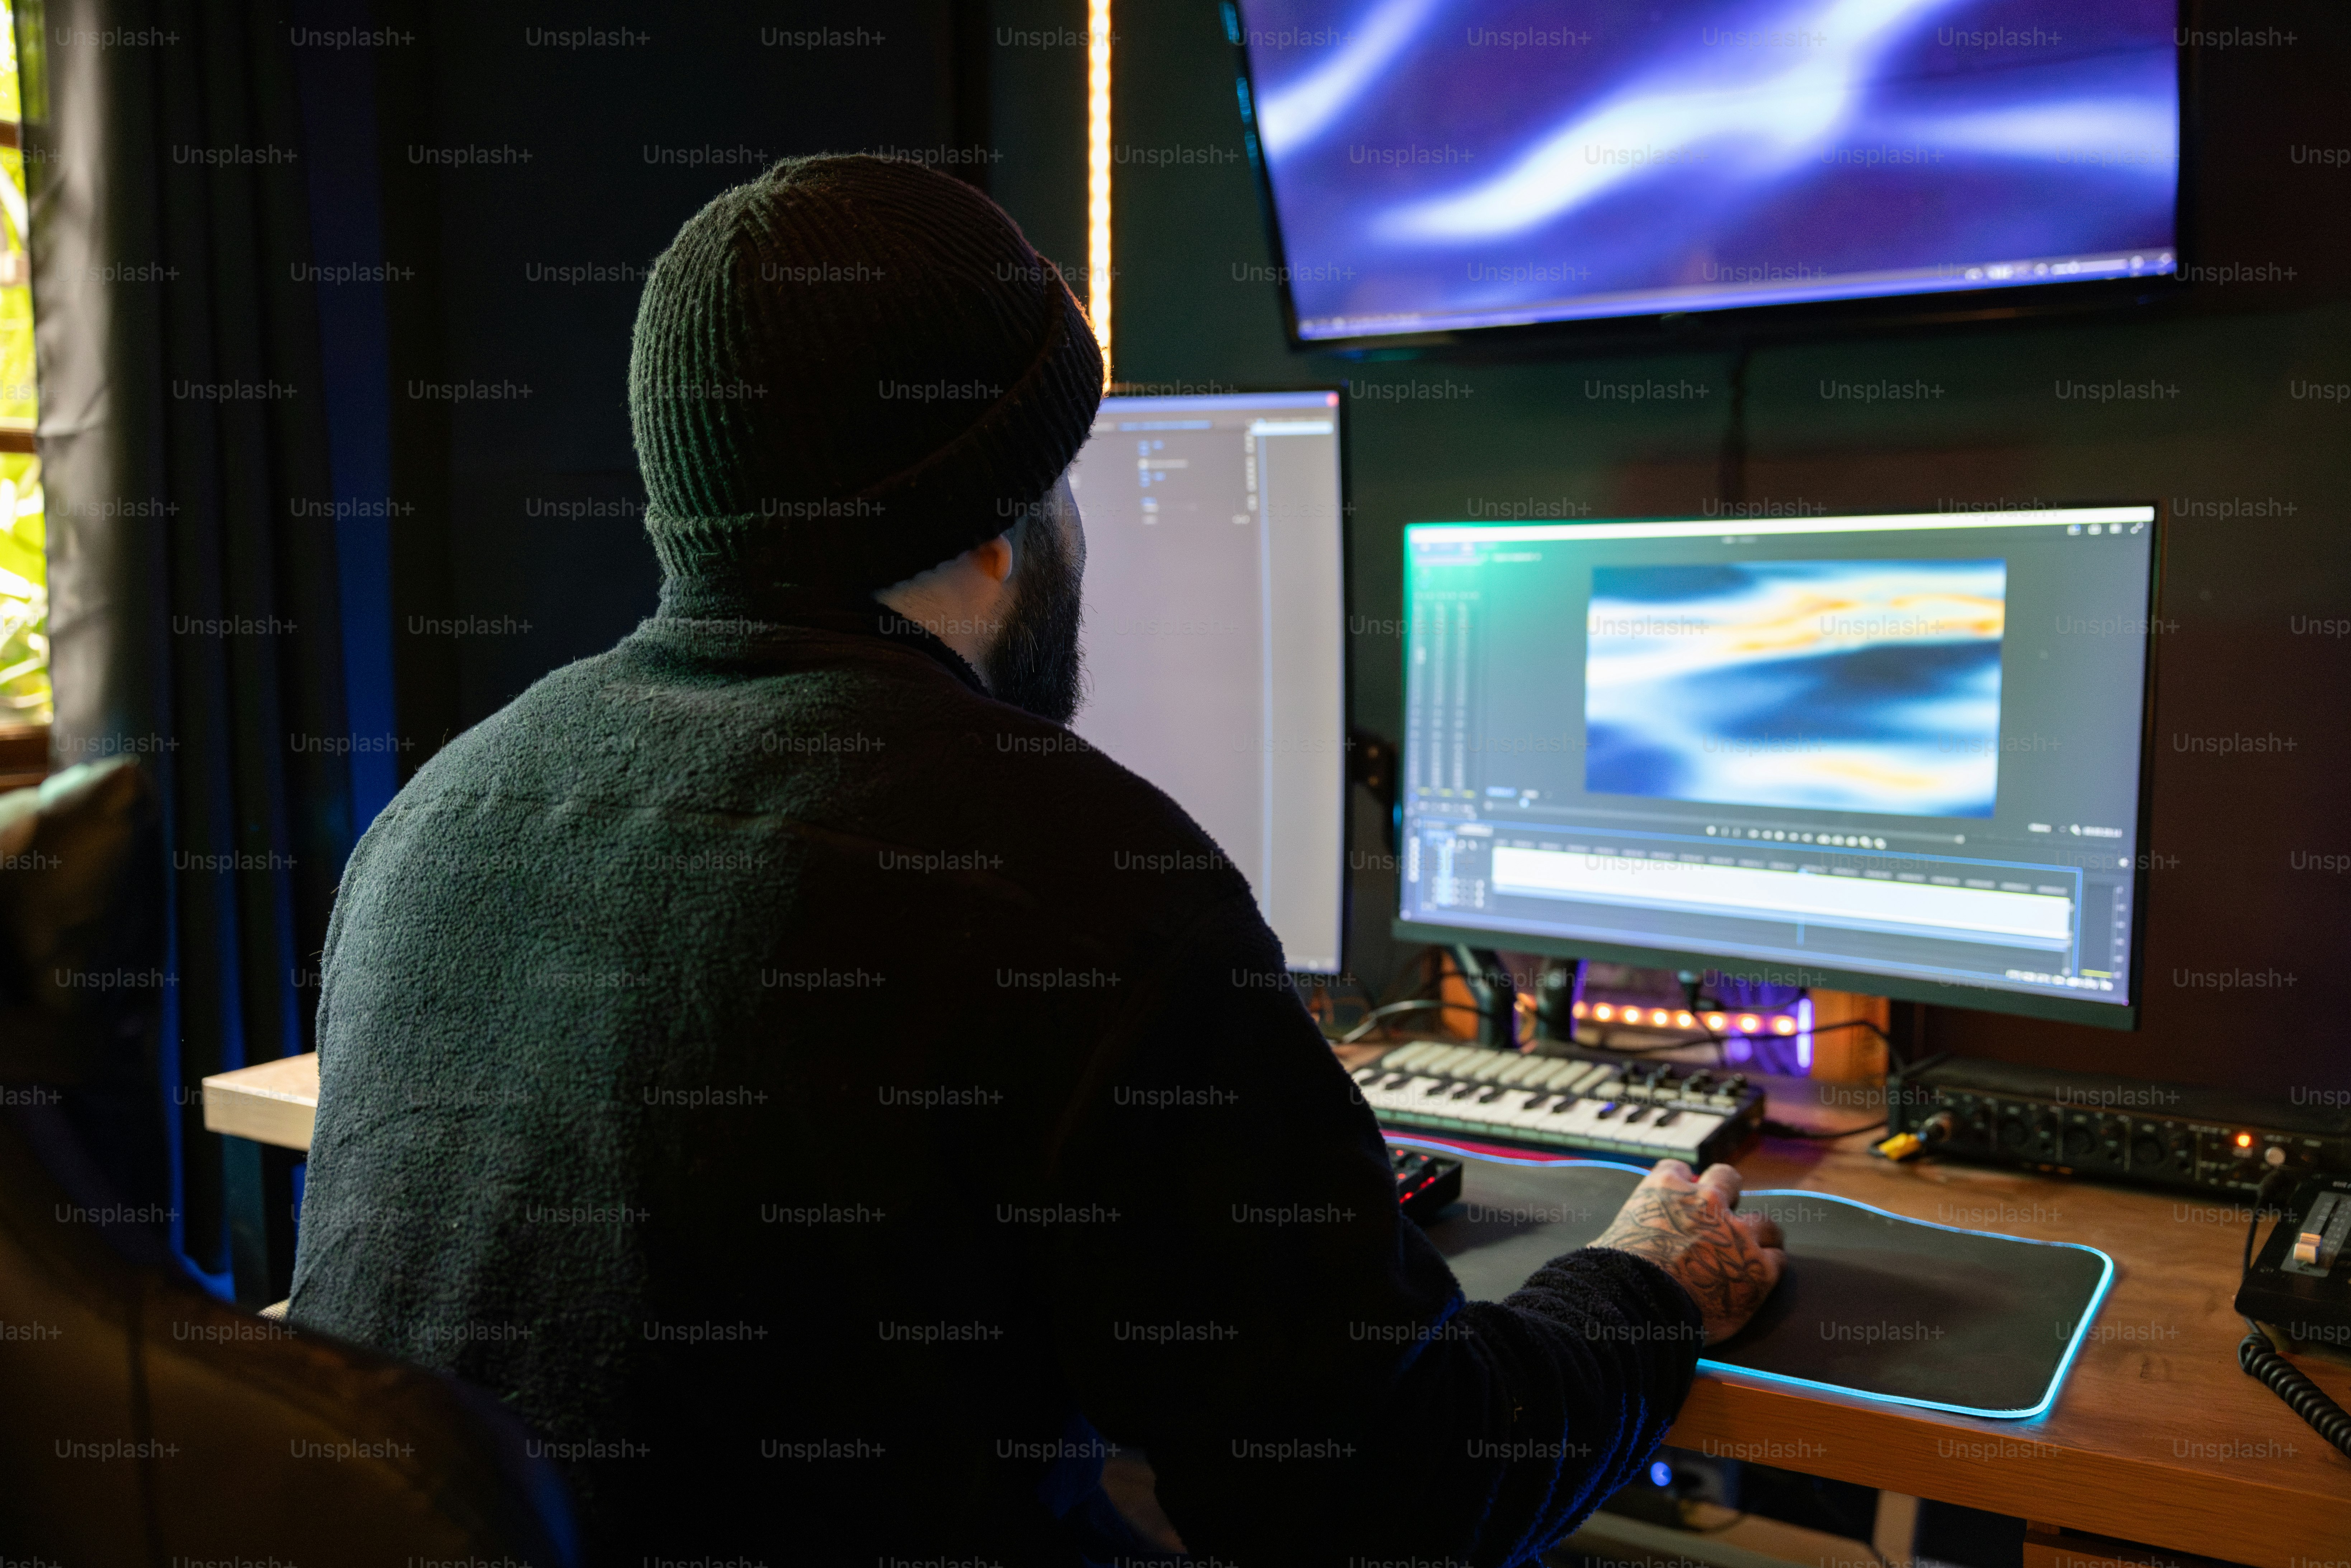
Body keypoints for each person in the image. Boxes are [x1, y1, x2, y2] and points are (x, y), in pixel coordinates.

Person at [288, 154, 1784, 1567]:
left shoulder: (433, 821)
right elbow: (1383, 1497)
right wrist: (1643, 1282)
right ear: (1004, 528)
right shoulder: (1071, 869)